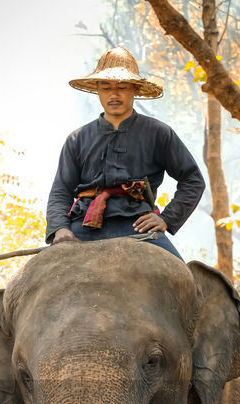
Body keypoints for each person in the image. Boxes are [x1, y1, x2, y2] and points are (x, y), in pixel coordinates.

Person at [46, 47, 206, 260]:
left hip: (138, 226)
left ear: (135, 90)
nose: (114, 94)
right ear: (97, 91)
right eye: (106, 88)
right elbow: (61, 191)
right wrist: (60, 229)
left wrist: (166, 219)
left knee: (186, 284)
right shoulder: (77, 139)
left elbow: (193, 180)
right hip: (82, 226)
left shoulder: (159, 133)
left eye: (122, 87)